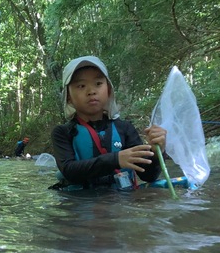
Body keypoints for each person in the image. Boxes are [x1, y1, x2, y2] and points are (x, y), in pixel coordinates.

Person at [51, 55, 167, 190]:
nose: (91, 91)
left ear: (109, 90)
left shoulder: (125, 128)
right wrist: (116, 159)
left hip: (119, 204)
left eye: (98, 84)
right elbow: (69, 171)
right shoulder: (62, 132)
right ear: (69, 97)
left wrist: (158, 151)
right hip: (80, 204)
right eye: (81, 86)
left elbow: (149, 176)